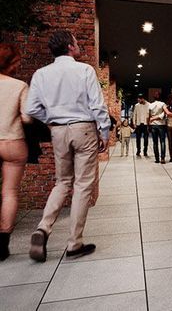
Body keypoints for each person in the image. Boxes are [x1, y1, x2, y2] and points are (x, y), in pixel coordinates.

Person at [24, 29, 110, 262]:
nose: (79, 44)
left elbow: (31, 109)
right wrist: (104, 131)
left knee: (62, 183)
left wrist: (52, 120)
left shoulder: (41, 74)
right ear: (70, 47)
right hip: (83, 129)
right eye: (76, 42)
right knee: (83, 185)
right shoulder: (84, 70)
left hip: (58, 131)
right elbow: (97, 105)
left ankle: (43, 227)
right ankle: (74, 244)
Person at [0, 42, 32, 260]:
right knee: (9, 192)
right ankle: (3, 243)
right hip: (13, 142)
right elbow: (27, 117)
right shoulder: (19, 85)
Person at [148, 92, 168, 164]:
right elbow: (165, 113)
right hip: (161, 125)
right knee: (162, 141)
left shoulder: (150, 105)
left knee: (155, 142)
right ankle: (162, 158)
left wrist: (149, 124)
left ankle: (157, 158)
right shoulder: (163, 104)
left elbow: (149, 116)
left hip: (153, 125)